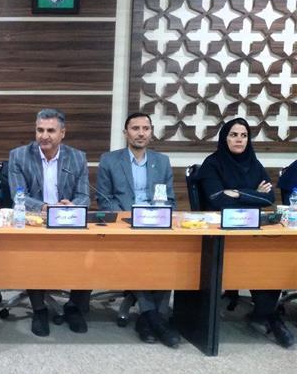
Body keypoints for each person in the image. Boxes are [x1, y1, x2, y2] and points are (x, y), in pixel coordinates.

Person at [198, 117, 293, 348]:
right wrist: (253, 193)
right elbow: (216, 200)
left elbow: (269, 198)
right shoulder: (212, 164)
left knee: (271, 257)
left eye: (243, 135)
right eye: (233, 135)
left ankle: (265, 312)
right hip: (222, 232)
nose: (239, 140)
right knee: (254, 258)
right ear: (225, 138)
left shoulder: (254, 163)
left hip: (253, 228)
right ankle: (269, 315)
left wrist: (238, 193)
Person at [96, 112, 180, 347]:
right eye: (135, 128)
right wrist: (129, 218)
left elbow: (170, 200)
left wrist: (157, 217)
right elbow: (104, 200)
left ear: (151, 132)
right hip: (126, 225)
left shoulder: (161, 161)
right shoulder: (109, 160)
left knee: (171, 256)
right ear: (126, 133)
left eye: (145, 128)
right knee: (138, 254)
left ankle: (151, 317)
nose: (141, 133)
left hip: (156, 224)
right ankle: (155, 318)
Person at [8, 108, 90, 337]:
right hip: (36, 221)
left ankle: (74, 307)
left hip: (68, 220)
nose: (44, 136)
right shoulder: (19, 156)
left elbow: (84, 196)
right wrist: (46, 208)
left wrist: (71, 206)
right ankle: (39, 309)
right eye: (40, 130)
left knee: (91, 248)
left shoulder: (77, 157)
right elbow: (18, 195)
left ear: (62, 133)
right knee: (33, 250)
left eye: (51, 131)